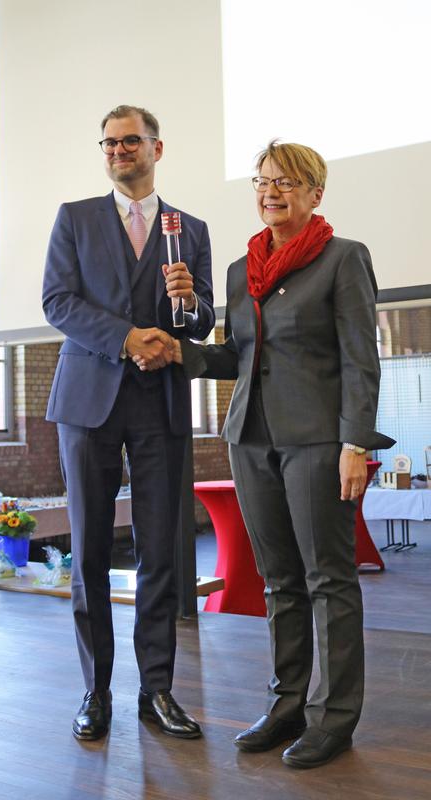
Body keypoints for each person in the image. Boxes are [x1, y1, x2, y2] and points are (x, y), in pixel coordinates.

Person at [138, 140, 394, 768]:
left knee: (328, 580)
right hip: (250, 440)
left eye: (285, 181)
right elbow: (238, 357)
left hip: (317, 442)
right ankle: (287, 704)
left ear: (315, 193)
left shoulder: (342, 259)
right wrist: (181, 351)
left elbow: (362, 360)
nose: (269, 191)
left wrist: (354, 443)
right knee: (279, 580)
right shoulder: (240, 269)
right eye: (261, 181)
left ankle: (332, 718)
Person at [42, 105, 214, 742]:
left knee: (161, 552)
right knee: (87, 550)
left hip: (160, 403)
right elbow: (57, 300)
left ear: (156, 149)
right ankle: (96, 690)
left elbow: (200, 323)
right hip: (87, 401)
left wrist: (187, 301)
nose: (118, 151)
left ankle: (158, 690)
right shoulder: (75, 218)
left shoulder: (187, 229)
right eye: (109, 143)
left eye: (130, 141)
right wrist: (126, 337)